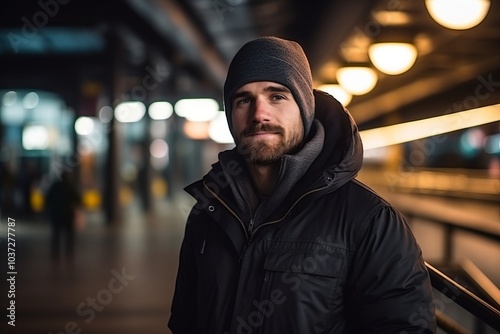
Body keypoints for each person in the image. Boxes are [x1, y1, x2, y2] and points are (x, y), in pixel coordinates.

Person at [168, 36, 436, 333]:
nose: (259, 114)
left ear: (305, 109)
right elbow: (185, 322)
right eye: (244, 99)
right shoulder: (206, 215)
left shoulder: (369, 221)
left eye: (277, 96)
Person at [45, 170, 81, 261]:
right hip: (67, 214)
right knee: (69, 234)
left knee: (56, 234)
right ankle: (69, 252)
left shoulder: (55, 186)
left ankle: (55, 252)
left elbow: (48, 199)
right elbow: (77, 199)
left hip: (57, 214)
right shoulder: (70, 186)